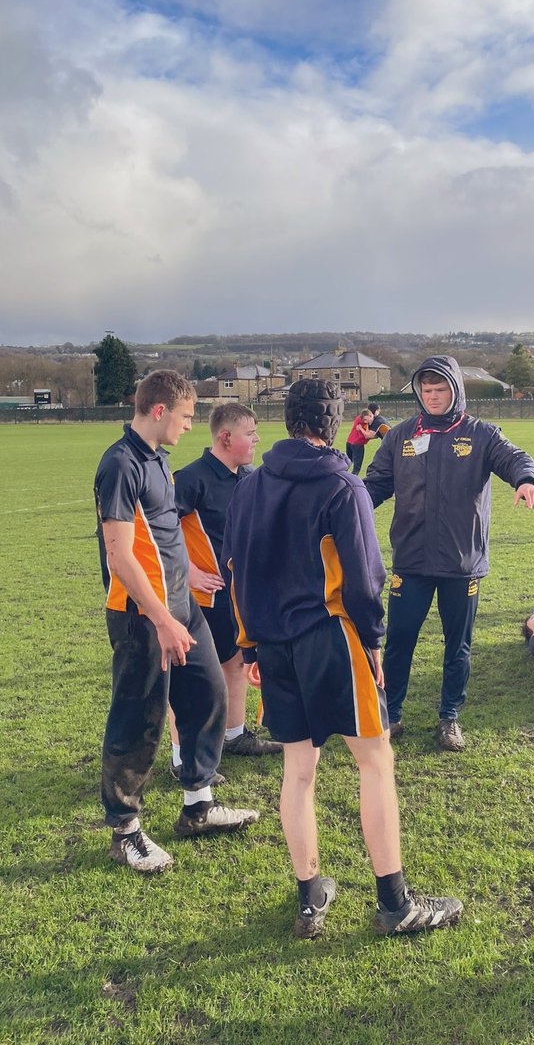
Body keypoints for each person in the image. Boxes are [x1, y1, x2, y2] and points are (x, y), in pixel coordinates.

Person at [223, 379, 463, 938]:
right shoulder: (342, 485)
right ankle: (394, 903)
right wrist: (374, 642)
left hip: (276, 645)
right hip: (331, 638)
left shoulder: (250, 486)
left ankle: (310, 898)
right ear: (334, 422)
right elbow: (364, 581)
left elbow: (239, 572)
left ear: (287, 420)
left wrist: (251, 645)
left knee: (298, 770)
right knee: (375, 761)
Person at [94, 370, 259, 874]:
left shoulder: (159, 461)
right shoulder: (120, 465)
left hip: (182, 609)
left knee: (208, 694)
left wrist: (185, 597)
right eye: (187, 417)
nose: (191, 426)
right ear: (160, 410)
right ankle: (126, 832)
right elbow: (120, 556)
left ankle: (198, 806)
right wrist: (162, 617)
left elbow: (168, 539)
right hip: (143, 617)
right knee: (137, 722)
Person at [363, 356, 534, 751]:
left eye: (440, 389)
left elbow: (516, 459)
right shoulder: (401, 436)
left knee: (456, 644)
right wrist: (346, 507)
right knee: (399, 641)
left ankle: (449, 717)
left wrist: (527, 480)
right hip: (411, 560)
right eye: (426, 391)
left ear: (455, 390)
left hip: (462, 564)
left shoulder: (481, 434)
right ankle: (391, 714)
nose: (432, 397)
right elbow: (374, 485)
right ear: (417, 393)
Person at [172, 403, 281, 771]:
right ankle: (183, 757)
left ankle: (235, 736)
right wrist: (187, 572)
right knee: (193, 677)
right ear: (225, 437)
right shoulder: (192, 479)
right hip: (204, 598)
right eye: (250, 433)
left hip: (240, 594)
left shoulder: (250, 477)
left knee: (236, 661)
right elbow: (156, 528)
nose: (257, 440)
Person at [345, 408, 376, 474]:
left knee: (348, 462)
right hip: (357, 444)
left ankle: (341, 476)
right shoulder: (364, 422)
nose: (365, 421)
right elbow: (367, 435)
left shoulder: (358, 418)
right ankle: (352, 481)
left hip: (349, 442)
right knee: (357, 467)